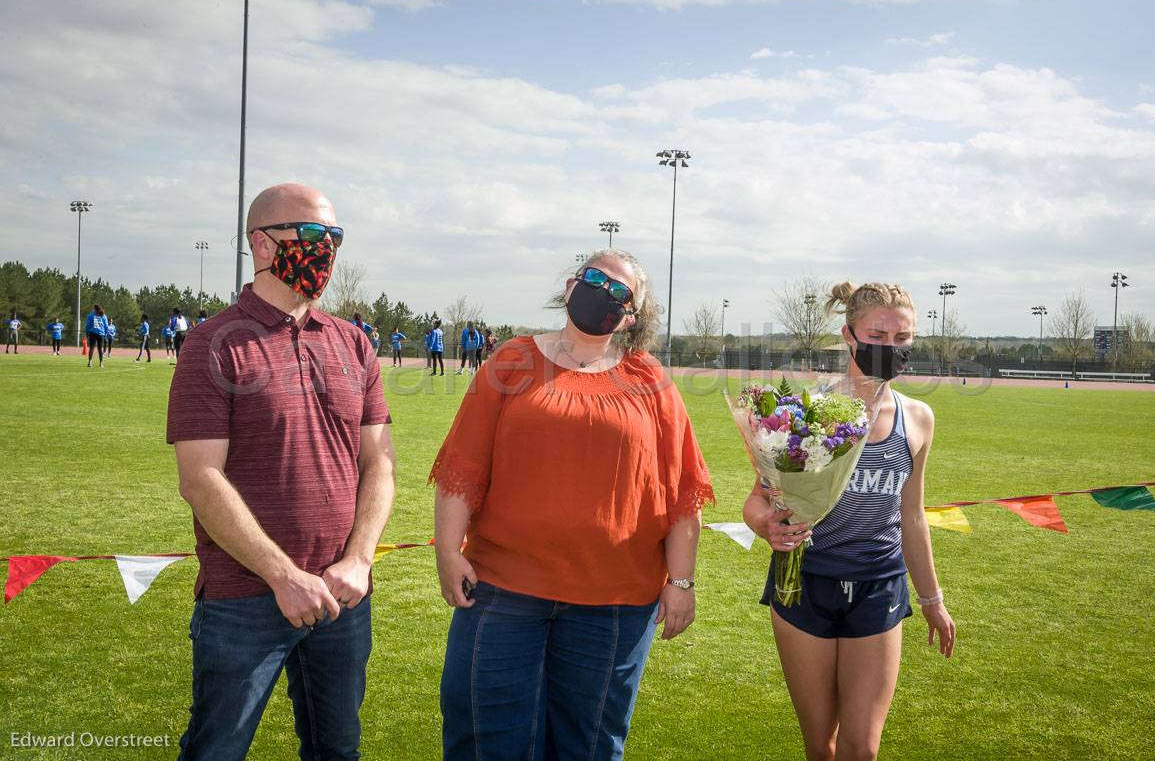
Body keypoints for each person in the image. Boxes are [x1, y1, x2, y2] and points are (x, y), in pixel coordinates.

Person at [432, 249, 714, 760]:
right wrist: (448, 551)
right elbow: (463, 465)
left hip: (614, 604)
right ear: (568, 286)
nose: (602, 292)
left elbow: (683, 491)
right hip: (504, 589)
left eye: (619, 292)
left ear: (632, 315)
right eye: (593, 279)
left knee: (588, 744)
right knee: (484, 736)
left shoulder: (651, 380)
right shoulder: (511, 360)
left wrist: (681, 582)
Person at [167, 183, 395, 760]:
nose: (329, 250)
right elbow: (200, 478)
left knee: (337, 749)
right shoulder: (212, 344)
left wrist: (360, 559)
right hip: (245, 597)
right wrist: (282, 575)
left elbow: (380, 463)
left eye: (336, 237)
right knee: (216, 749)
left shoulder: (353, 342)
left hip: (344, 595)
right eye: (315, 236)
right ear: (263, 245)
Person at [742, 281, 956, 761]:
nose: (892, 348)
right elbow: (756, 503)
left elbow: (912, 517)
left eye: (903, 339)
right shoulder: (804, 412)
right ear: (849, 335)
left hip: (879, 587)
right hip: (804, 588)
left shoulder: (917, 418)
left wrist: (932, 600)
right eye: (878, 335)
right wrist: (766, 527)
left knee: (862, 749)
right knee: (822, 747)